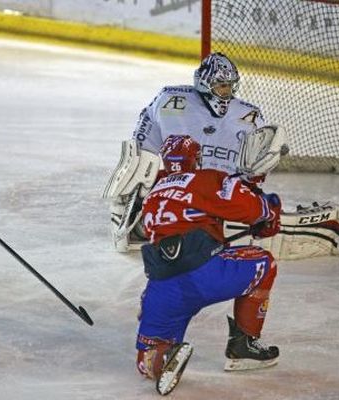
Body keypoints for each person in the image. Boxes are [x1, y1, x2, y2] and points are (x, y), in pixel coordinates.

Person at [135, 135, 281, 396]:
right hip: (207, 273)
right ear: (195, 159)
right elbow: (249, 209)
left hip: (161, 286)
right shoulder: (204, 178)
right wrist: (269, 209)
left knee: (147, 359)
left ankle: (161, 356)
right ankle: (244, 347)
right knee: (264, 264)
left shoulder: (153, 192)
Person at [104, 52, 267, 252]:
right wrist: (132, 197)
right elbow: (139, 153)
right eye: (222, 86)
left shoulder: (250, 115)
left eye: (231, 86)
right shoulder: (170, 99)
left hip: (219, 191)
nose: (227, 92)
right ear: (205, 84)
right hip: (186, 189)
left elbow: (255, 170)